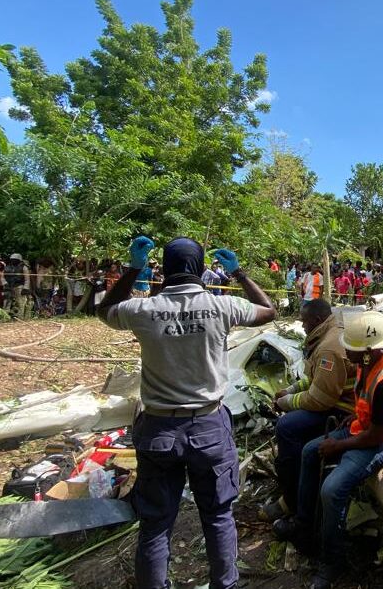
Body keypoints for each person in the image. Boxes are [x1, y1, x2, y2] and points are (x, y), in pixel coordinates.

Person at [98, 236, 276, 589]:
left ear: (164, 267)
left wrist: (134, 268)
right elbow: (269, 310)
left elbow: (104, 311)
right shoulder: (222, 307)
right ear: (199, 268)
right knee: (218, 516)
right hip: (209, 425)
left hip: (159, 429)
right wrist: (238, 272)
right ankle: (224, 584)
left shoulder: (143, 310)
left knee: (155, 524)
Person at [275, 311, 383, 589]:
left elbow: (375, 437)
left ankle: (332, 562)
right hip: (365, 429)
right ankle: (304, 523)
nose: (344, 351)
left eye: (350, 347)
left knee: (332, 489)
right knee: (309, 452)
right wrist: (354, 420)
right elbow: (367, 410)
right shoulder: (366, 364)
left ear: (368, 351)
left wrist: (338, 444)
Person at [263, 299, 356, 522]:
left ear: (316, 320)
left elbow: (319, 399)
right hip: (335, 401)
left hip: (343, 411)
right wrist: (292, 389)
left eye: (304, 321)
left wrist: (286, 402)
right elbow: (316, 381)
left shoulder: (328, 348)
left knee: (286, 427)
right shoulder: (327, 335)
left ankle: (293, 499)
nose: (302, 325)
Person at [3, 253, 31, 319]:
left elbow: (27, 278)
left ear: (19, 260)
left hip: (19, 286)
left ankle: (20, 317)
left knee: (21, 302)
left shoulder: (24, 267)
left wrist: (25, 288)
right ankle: (6, 317)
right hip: (9, 287)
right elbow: (3, 277)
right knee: (8, 302)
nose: (13, 261)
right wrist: (5, 284)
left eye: (15, 259)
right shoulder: (8, 267)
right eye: (12, 259)